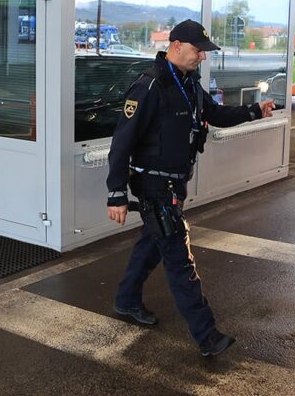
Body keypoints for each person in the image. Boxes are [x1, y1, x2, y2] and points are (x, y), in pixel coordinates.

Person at [106, 19, 275, 357]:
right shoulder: (150, 86)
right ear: (177, 46)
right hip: (155, 185)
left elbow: (217, 114)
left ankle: (126, 300)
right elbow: (121, 143)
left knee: (152, 245)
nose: (202, 57)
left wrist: (254, 110)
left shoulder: (189, 84)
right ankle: (207, 335)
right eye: (199, 50)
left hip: (175, 183)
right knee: (179, 260)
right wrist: (117, 193)